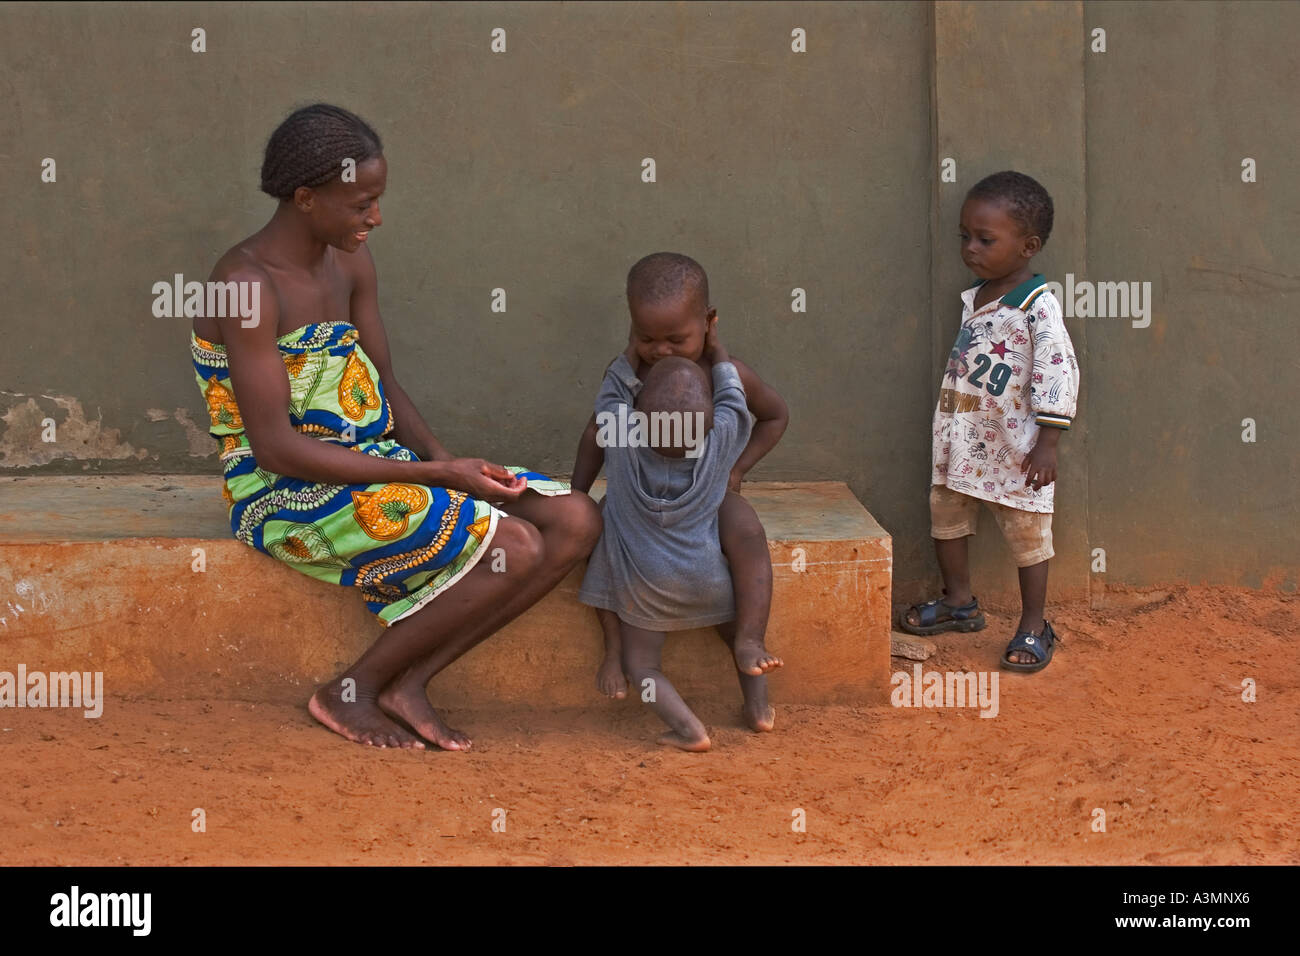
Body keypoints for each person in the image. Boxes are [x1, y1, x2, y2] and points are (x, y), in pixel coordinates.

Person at [191, 104, 601, 750]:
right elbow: (274, 448)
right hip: (283, 493)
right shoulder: (242, 284)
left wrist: (451, 466)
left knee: (577, 519)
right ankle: (349, 691)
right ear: (305, 198)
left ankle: (409, 685)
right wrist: (435, 473)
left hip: (373, 463)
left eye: (377, 200)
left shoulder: (350, 264)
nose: (375, 218)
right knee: (516, 546)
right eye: (361, 204)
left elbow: (382, 385)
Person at [900, 171, 1079, 673]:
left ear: (1028, 246)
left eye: (985, 239)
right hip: (961, 440)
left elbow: (1059, 372)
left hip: (1015, 450)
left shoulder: (1037, 307)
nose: (971, 248)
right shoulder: (977, 295)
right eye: (965, 236)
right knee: (946, 519)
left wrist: (1048, 444)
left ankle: (1034, 624)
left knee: (1026, 534)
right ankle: (959, 602)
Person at [576, 314, 780, 751]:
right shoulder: (723, 437)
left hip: (645, 588)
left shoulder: (621, 435)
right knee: (734, 631)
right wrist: (718, 349)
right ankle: (758, 702)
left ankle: (689, 729)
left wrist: (633, 347)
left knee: (644, 667)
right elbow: (731, 397)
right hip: (710, 577)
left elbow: (611, 393)